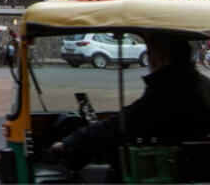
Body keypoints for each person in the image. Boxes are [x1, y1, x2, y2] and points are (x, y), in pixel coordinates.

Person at [51, 33, 210, 171]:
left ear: (161, 57)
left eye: (151, 52)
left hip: (171, 167)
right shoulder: (199, 83)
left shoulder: (168, 91)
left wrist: (70, 143)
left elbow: (123, 123)